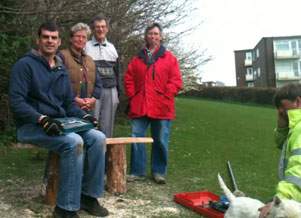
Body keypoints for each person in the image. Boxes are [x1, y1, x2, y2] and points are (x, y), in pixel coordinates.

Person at [9, 21, 109, 218]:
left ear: (59, 41)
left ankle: (88, 196)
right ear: (38, 39)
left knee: (97, 138)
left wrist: (85, 116)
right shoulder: (25, 65)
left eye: (53, 38)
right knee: (74, 143)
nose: (49, 41)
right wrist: (41, 119)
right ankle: (65, 208)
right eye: (45, 37)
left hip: (59, 124)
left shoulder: (60, 68)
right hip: (31, 126)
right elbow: (16, 102)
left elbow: (68, 103)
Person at [124, 22, 183, 184]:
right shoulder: (137, 58)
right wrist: (133, 95)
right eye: (150, 33)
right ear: (146, 36)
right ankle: (137, 171)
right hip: (140, 105)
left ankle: (158, 172)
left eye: (156, 34)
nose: (153, 36)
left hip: (161, 106)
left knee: (161, 139)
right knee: (137, 138)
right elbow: (129, 77)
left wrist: (166, 95)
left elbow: (176, 81)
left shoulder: (169, 58)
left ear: (161, 37)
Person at [259, 82, 301, 217]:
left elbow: (298, 170)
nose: (280, 111)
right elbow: (281, 145)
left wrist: (281, 198)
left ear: (298, 102)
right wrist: (282, 127)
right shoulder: (295, 127)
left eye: (282, 106)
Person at [85, 15, 120, 138]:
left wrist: (118, 94)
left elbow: (117, 72)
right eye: (97, 27)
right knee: (91, 123)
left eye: (103, 27)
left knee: (107, 125)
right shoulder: (86, 46)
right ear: (92, 29)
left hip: (111, 90)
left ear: (107, 29)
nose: (100, 30)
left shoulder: (112, 48)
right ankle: (89, 155)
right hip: (93, 90)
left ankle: (105, 156)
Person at [59, 22, 102, 112]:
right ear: (71, 39)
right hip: (67, 109)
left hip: (87, 108)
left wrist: (93, 99)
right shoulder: (61, 56)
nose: (81, 40)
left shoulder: (90, 60)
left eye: (84, 37)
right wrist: (75, 99)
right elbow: (58, 84)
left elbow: (98, 82)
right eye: (78, 36)